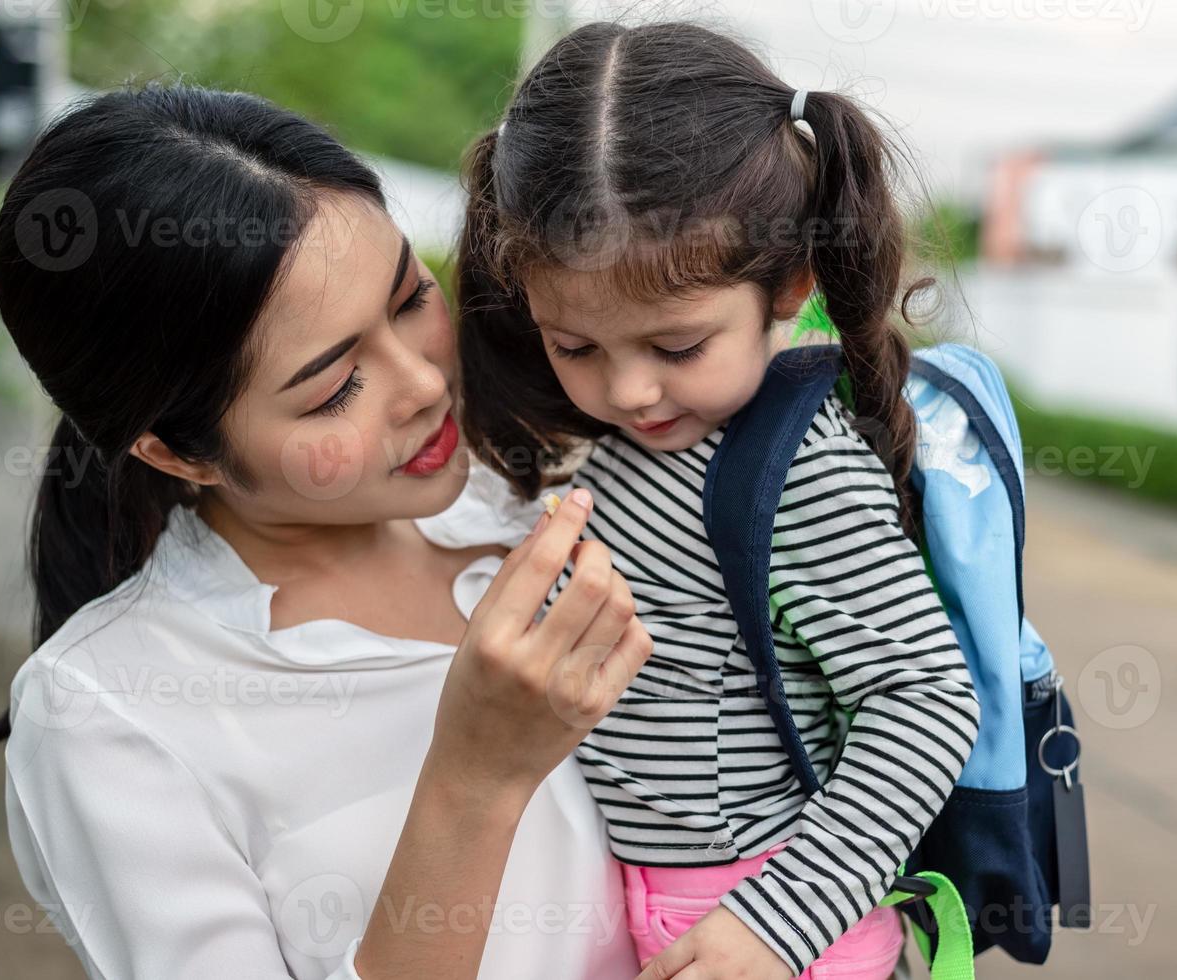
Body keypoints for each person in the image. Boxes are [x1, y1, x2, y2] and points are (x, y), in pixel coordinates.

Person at [0, 84, 651, 980]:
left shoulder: (541, 507)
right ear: (179, 455)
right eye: (334, 389)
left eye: (411, 296)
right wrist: (474, 780)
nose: (420, 382)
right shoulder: (108, 715)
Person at [456, 21, 982, 980]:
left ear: (790, 283)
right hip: (657, 913)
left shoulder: (799, 470)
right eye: (574, 345)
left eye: (677, 346)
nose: (628, 392)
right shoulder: (630, 446)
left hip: (777, 930)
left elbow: (926, 698)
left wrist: (778, 925)